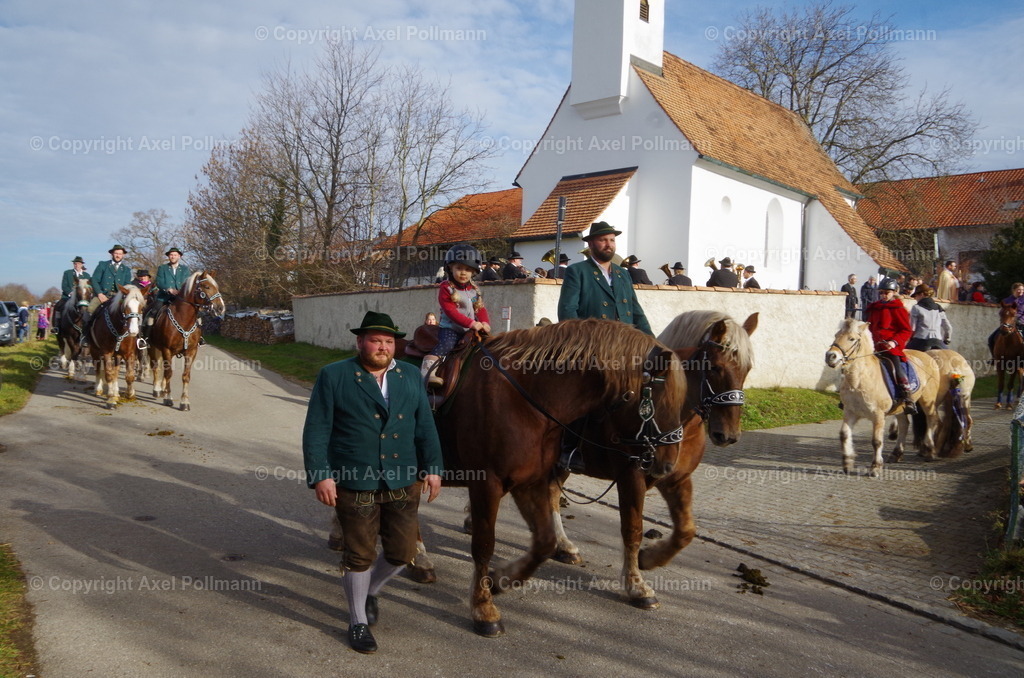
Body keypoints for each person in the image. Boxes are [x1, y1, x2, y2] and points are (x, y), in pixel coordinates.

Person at [302, 310, 443, 654]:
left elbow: (424, 423)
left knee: (402, 553)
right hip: (355, 478)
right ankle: (357, 621)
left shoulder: (409, 375)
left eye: (388, 341)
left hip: (403, 479)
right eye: (375, 340)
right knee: (359, 555)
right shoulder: (334, 375)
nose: (382, 346)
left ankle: (370, 593)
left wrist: (434, 466)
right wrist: (321, 474)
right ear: (360, 342)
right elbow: (317, 429)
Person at [557, 221, 652, 334]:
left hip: (625, 343)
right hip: (594, 342)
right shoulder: (577, 271)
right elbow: (568, 311)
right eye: (603, 240)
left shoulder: (623, 273)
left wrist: (652, 342)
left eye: (612, 240)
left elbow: (636, 312)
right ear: (591, 244)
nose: (609, 245)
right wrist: (581, 342)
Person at [421, 244, 491, 388]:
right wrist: (471, 323)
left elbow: (480, 309)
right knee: (446, 345)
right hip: (451, 328)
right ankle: (427, 372)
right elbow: (450, 311)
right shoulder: (446, 288)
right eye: (458, 268)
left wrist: (485, 322)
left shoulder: (474, 290)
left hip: (469, 329)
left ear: (473, 272)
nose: (463, 272)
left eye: (467, 269)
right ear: (450, 268)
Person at [864, 277, 916, 413]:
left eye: (887, 292)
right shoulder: (875, 308)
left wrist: (893, 342)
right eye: (881, 292)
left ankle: (907, 396)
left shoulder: (898, 308)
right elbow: (868, 326)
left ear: (893, 292)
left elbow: (906, 330)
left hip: (890, 347)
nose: (884, 295)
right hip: (873, 346)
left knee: (896, 368)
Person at [144, 247, 192, 340]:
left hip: (181, 298)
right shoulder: (163, 268)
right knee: (153, 312)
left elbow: (187, 283)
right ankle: (146, 337)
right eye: (171, 255)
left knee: (196, 313)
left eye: (175, 255)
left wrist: (181, 291)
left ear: (179, 256)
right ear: (168, 256)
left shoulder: (185, 269)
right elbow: (159, 282)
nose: (173, 256)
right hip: (164, 297)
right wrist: (168, 289)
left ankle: (198, 338)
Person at [907, 284, 951, 351]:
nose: (915, 298)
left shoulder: (916, 308)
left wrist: (910, 340)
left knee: (903, 356)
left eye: (916, 296)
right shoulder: (939, 308)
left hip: (920, 341)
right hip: (937, 341)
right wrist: (947, 340)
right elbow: (948, 327)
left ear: (921, 294)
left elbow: (912, 328)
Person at [54, 256, 90, 333]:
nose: (77, 265)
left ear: (82, 265)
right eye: (75, 263)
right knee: (58, 306)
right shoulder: (67, 273)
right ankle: (57, 326)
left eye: (79, 263)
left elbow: (88, 288)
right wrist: (71, 293)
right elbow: (64, 285)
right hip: (67, 297)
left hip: (82, 298)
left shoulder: (87, 275)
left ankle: (89, 326)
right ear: (73, 264)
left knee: (90, 309)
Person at [988, 282, 1024, 358]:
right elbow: (1002, 312)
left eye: (1022, 290)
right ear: (1013, 290)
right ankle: (994, 358)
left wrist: (1020, 319)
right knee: (991, 339)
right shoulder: (1007, 300)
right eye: (1018, 290)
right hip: (1008, 324)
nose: (1020, 291)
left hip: (1022, 323)